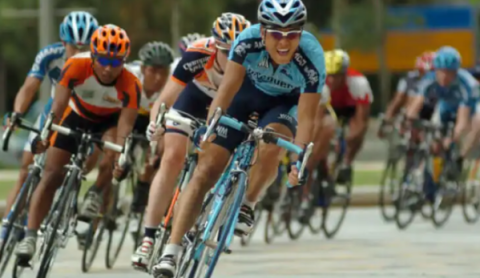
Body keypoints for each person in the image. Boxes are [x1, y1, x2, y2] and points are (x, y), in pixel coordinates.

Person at [153, 0, 326, 277]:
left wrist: (298, 160)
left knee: (272, 141)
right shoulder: (246, 42)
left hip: (285, 104)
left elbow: (307, 116)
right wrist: (211, 127)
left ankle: (248, 204)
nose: (284, 42)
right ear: (263, 33)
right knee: (206, 170)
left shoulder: (312, 56)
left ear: (300, 33)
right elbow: (227, 90)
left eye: (292, 34)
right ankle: (170, 252)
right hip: (245, 94)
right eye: (276, 34)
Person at [131, 13, 250, 269]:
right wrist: (156, 122)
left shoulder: (252, 61)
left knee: (212, 165)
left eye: (236, 53)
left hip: (225, 109)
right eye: (226, 52)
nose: (232, 60)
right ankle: (149, 236)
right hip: (193, 102)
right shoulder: (198, 53)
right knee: (172, 158)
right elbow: (166, 97)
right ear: (215, 46)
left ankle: (198, 218)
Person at [14, 24, 141, 261]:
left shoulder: (131, 82)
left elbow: (125, 129)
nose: (107, 68)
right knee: (52, 174)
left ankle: (96, 192)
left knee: (115, 152)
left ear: (124, 61)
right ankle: (30, 235)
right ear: (93, 54)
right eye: (102, 60)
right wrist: (44, 137)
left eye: (115, 63)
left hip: (109, 122)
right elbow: (57, 108)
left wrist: (120, 159)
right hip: (76, 115)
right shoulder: (76, 65)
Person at [1, 11, 98, 242]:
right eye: (74, 47)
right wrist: (17, 114)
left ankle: (65, 202)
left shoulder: (100, 63)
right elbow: (29, 86)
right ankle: (9, 224)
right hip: (55, 110)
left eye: (85, 48)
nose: (79, 53)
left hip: (86, 115)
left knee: (74, 165)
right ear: (63, 42)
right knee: (26, 168)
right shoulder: (50, 54)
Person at [407, 46, 479, 180]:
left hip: (470, 109)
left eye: (450, 72)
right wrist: (409, 122)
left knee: (475, 124)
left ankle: (460, 158)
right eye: (441, 72)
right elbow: (415, 105)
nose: (445, 76)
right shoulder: (429, 78)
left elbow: (462, 121)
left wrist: (451, 140)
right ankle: (435, 175)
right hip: (446, 107)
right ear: (436, 70)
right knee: (434, 142)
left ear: (456, 71)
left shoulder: (466, 84)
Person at [316, 49, 373, 185]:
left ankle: (347, 162)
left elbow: (362, 119)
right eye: (329, 75)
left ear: (344, 74)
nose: (332, 80)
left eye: (336, 76)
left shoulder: (358, 82)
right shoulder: (319, 82)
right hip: (329, 106)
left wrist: (351, 138)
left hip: (350, 108)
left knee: (359, 131)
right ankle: (322, 163)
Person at [383, 51, 435, 123]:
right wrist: (389, 114)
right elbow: (398, 97)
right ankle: (388, 119)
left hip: (429, 110)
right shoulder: (409, 78)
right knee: (402, 97)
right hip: (410, 108)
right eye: (421, 71)